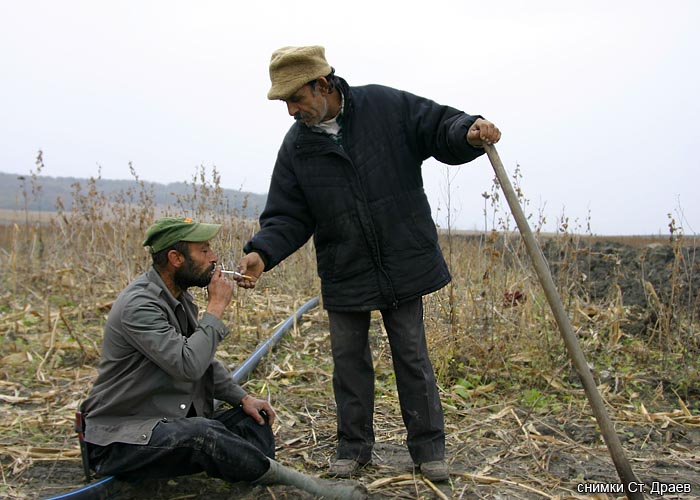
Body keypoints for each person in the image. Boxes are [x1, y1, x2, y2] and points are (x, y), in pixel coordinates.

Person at [236, 46, 502, 482]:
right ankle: (354, 447)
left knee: (412, 355)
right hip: (344, 267)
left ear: (322, 85)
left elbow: (439, 126)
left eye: (295, 98)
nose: (291, 111)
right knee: (348, 362)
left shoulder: (385, 107)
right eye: (284, 102)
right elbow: (288, 216)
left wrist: (469, 131)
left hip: (402, 258)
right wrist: (261, 253)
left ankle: (429, 450)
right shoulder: (297, 147)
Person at [80, 216, 368, 500]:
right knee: (203, 434)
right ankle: (304, 486)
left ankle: (256, 478)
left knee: (252, 420)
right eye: (204, 250)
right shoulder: (140, 306)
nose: (214, 257)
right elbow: (189, 364)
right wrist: (216, 307)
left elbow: (203, 362)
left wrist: (242, 398)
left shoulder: (178, 297)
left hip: (167, 423)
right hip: (121, 438)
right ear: (175, 258)